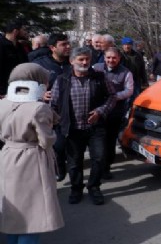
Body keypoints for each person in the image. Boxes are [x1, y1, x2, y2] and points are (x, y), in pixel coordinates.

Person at [0, 63, 65, 243]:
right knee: (32, 215)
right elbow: (46, 140)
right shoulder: (39, 107)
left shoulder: (3, 102)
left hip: (7, 155)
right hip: (31, 160)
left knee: (13, 213)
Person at [50, 47, 116, 205]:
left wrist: (100, 111)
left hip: (95, 128)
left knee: (99, 158)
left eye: (87, 59)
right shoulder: (62, 79)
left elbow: (112, 96)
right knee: (74, 163)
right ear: (72, 61)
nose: (85, 62)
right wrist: (58, 122)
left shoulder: (100, 77)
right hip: (72, 129)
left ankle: (94, 187)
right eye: (81, 59)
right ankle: (76, 188)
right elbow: (53, 103)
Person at [32, 33, 72, 181]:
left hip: (72, 111)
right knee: (58, 146)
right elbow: (28, 86)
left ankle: (74, 178)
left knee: (72, 147)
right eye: (63, 44)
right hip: (50, 113)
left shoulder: (73, 62)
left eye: (68, 44)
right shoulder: (40, 64)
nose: (68, 47)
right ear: (52, 47)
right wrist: (40, 95)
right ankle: (59, 167)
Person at [93, 47, 133, 179]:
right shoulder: (95, 68)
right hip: (97, 111)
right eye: (108, 57)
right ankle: (97, 166)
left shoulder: (126, 72)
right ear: (104, 57)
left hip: (115, 112)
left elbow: (129, 90)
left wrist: (114, 96)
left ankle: (106, 167)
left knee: (110, 142)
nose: (111, 60)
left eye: (114, 58)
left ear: (119, 58)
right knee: (98, 141)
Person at [0, 20, 29, 98]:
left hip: (20, 90)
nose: (25, 32)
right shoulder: (2, 46)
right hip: (4, 92)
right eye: (23, 30)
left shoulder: (20, 47)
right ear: (15, 31)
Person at [120, 37, 148, 105]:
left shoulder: (138, 55)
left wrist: (145, 81)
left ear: (132, 45)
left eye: (129, 44)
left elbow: (142, 69)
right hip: (123, 82)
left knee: (135, 99)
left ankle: (132, 113)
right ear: (122, 46)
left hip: (136, 81)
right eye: (125, 44)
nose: (127, 46)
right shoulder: (120, 55)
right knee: (125, 100)